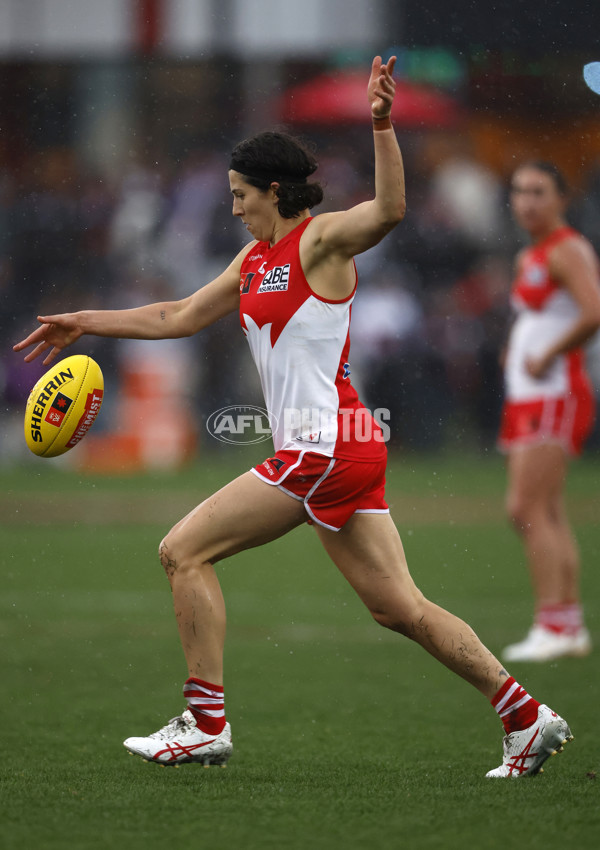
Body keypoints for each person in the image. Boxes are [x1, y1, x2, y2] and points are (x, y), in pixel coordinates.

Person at [14, 58, 573, 778]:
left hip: (326, 445)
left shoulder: (320, 239)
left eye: (241, 195)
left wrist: (380, 124)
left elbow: (391, 210)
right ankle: (526, 718)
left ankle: (204, 722)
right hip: (343, 447)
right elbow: (178, 315)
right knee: (399, 608)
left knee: (181, 551)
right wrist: (85, 321)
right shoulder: (254, 258)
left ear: (275, 190)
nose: (235, 208)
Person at [499, 161, 600, 662]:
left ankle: (552, 624)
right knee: (549, 509)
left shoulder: (567, 249)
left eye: (539, 191)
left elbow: (593, 312)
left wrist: (548, 354)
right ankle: (568, 623)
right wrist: (516, 352)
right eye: (519, 191)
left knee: (525, 508)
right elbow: (538, 317)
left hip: (554, 394)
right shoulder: (530, 254)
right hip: (529, 396)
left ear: (562, 197)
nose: (527, 201)